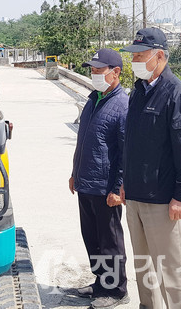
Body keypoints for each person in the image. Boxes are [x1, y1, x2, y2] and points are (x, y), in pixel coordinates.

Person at [120, 28, 181, 309]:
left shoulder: (176, 94)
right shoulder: (138, 92)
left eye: (140, 56)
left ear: (159, 56)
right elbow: (131, 142)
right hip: (135, 196)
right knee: (143, 267)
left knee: (170, 268)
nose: (135, 62)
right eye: (134, 56)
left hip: (163, 201)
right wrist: (124, 180)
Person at [70, 49, 130, 309]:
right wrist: (75, 173)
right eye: (92, 70)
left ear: (115, 73)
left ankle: (116, 290)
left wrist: (118, 187)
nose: (94, 75)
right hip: (86, 182)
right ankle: (100, 282)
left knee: (109, 240)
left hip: (106, 187)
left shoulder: (122, 105)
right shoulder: (93, 99)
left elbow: (125, 152)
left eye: (98, 70)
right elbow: (83, 141)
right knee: (92, 237)